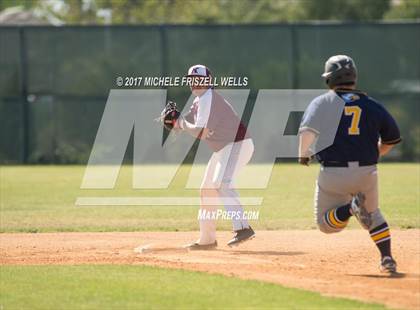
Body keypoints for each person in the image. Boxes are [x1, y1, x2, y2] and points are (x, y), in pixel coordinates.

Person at [298, 55, 402, 273]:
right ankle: (387, 259)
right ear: (354, 77)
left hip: (334, 173)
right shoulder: (372, 105)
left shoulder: (322, 102)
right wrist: (376, 154)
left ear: (329, 79)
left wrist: (303, 155)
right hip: (367, 172)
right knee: (373, 216)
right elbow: (391, 139)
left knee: (326, 225)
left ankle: (350, 208)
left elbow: (307, 132)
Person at [175, 64, 255, 249]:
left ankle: (243, 228)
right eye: (192, 80)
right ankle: (207, 240)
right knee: (207, 189)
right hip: (224, 149)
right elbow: (186, 123)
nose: (195, 83)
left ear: (208, 81)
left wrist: (182, 124)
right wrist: (175, 121)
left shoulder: (208, 98)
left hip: (238, 144)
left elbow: (201, 132)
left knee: (221, 183)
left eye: (200, 80)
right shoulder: (199, 100)